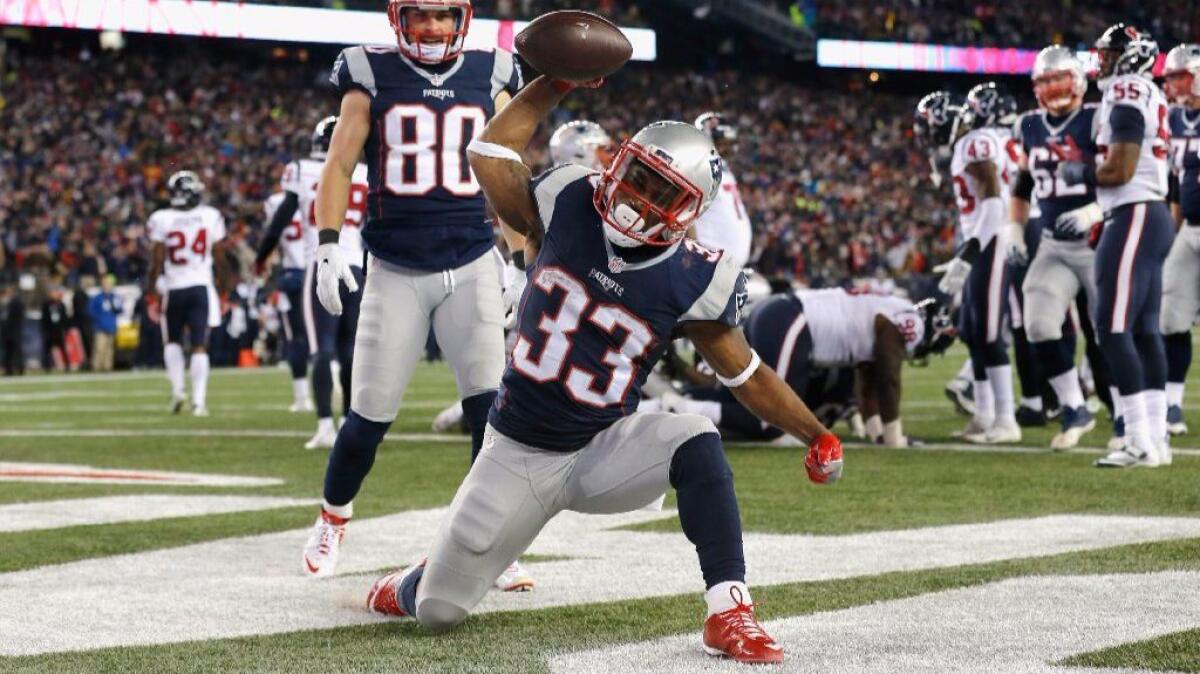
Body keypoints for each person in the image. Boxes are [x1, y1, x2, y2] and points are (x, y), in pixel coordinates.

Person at [362, 73, 844, 665]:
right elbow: (488, 154)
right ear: (622, 162)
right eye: (638, 175)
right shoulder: (569, 198)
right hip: (513, 451)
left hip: (602, 448)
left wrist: (816, 433)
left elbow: (746, 375)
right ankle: (414, 580)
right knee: (439, 611)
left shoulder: (697, 276)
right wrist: (552, 83)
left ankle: (729, 609)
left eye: (660, 192)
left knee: (695, 438)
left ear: (687, 210)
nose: (638, 197)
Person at [301, 0, 526, 590]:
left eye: (443, 16)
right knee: (368, 416)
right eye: (421, 15)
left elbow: (505, 171)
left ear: (462, 18)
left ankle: (489, 542)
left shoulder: (494, 71)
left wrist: (522, 258)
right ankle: (332, 517)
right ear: (398, 19)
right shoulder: (368, 70)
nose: (432, 27)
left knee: (490, 414)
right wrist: (329, 243)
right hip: (396, 266)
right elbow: (341, 160)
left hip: (473, 259)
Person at [1059, 24, 1173, 467]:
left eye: (1108, 54)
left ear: (1130, 57)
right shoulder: (1147, 90)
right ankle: (1155, 440)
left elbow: (1121, 169)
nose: (1101, 61)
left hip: (1134, 211)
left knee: (1111, 327)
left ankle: (1139, 439)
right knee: (1143, 330)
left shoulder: (1126, 89)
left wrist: (1081, 173)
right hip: (1149, 213)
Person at [653, 289, 955, 447]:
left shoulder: (894, 309)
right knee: (770, 421)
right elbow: (888, 377)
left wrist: (879, 434)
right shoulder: (908, 321)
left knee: (741, 396)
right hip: (793, 321)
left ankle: (668, 406)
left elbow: (868, 382)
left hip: (784, 317)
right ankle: (678, 406)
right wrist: (895, 437)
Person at [1009, 45, 1113, 450]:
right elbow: (1022, 187)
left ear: (1078, 79)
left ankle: (1128, 415)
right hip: (1054, 242)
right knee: (1037, 322)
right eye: (1044, 81)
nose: (1052, 88)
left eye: (1059, 79)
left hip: (1099, 238)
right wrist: (1014, 230)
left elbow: (1123, 176)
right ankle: (1074, 407)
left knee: (1109, 332)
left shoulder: (1096, 117)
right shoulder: (1030, 125)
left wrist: (1095, 211)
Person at [916, 86, 1021, 443]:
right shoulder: (968, 144)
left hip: (991, 242)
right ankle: (985, 414)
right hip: (979, 241)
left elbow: (995, 202)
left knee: (989, 332)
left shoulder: (974, 143)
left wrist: (972, 250)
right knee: (972, 331)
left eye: (930, 126)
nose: (927, 135)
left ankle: (1006, 420)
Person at [145, 170, 230, 416]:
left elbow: (156, 261)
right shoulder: (209, 216)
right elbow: (220, 259)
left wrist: (151, 293)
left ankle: (178, 389)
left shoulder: (162, 218)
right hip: (200, 287)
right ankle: (199, 401)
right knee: (199, 345)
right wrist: (225, 291)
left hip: (174, 288)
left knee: (171, 341)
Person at [1161, 43, 1200, 437]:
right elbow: (1175, 185)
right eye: (1170, 77)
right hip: (1188, 229)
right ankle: (1171, 404)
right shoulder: (1169, 118)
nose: (1173, 85)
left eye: (1181, 76)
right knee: (1171, 319)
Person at [693, 112, 753, 270]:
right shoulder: (702, 169)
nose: (728, 148)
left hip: (722, 263)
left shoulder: (724, 171)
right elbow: (685, 217)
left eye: (728, 143)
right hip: (705, 260)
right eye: (722, 143)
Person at [88, 274, 122, 372]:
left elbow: (119, 310)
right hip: (100, 327)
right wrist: (98, 321)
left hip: (111, 326)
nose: (108, 286)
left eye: (109, 284)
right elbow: (91, 311)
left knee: (109, 350)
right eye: (106, 284)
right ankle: (96, 367)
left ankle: (108, 368)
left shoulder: (114, 297)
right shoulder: (97, 298)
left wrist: (115, 306)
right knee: (99, 348)